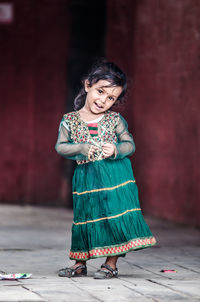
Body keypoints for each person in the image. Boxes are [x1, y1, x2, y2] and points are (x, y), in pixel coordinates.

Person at [55, 61, 156, 279]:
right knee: (85, 217)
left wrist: (117, 149)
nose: (103, 100)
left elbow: (130, 145)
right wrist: (81, 147)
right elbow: (61, 147)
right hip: (86, 179)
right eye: (100, 91)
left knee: (114, 217)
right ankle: (79, 263)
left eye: (111, 98)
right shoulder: (69, 120)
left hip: (116, 178)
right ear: (88, 85)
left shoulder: (115, 120)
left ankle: (110, 264)